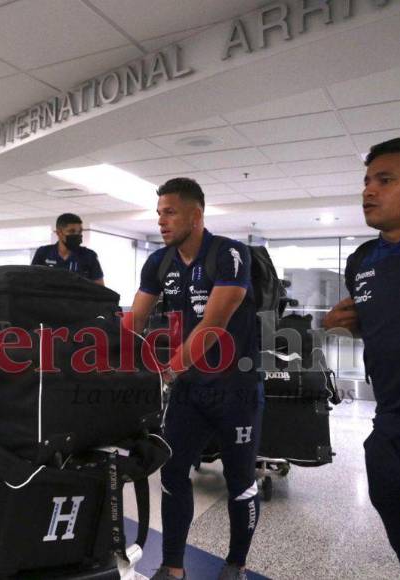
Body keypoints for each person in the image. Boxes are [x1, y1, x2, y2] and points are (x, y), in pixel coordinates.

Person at [131, 178, 262, 580]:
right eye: (159, 213)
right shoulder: (159, 262)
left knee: (240, 482)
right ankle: (173, 567)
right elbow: (133, 321)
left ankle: (236, 564)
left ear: (196, 214)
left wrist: (169, 367)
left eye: (170, 212)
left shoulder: (230, 254)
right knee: (172, 474)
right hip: (190, 392)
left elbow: (214, 324)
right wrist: (102, 354)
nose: (161, 221)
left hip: (235, 389)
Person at [324, 137, 400, 572]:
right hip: (390, 419)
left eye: (385, 180)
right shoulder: (361, 259)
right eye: (368, 181)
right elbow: (376, 323)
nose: (369, 190)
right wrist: (345, 325)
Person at [31, 213, 104, 285]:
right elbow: (31, 281)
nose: (76, 235)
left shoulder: (89, 256)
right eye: (71, 231)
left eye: (79, 232)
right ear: (59, 233)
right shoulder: (43, 253)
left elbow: (100, 287)